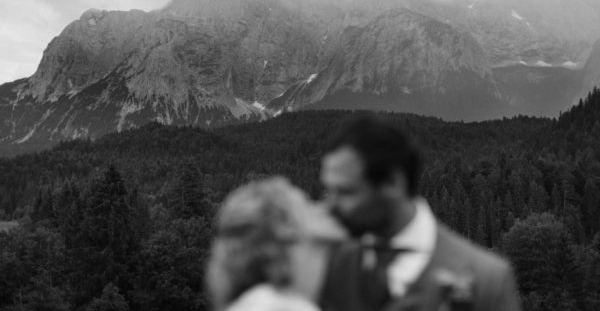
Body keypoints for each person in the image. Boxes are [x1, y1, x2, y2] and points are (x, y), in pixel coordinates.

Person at [318, 115, 521, 311]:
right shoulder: (326, 263)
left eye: (346, 192)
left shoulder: (487, 281)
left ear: (393, 183)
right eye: (329, 191)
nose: (329, 206)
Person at [207, 177, 347, 311]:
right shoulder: (281, 307)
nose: (323, 208)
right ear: (286, 232)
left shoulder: (258, 302)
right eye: (308, 204)